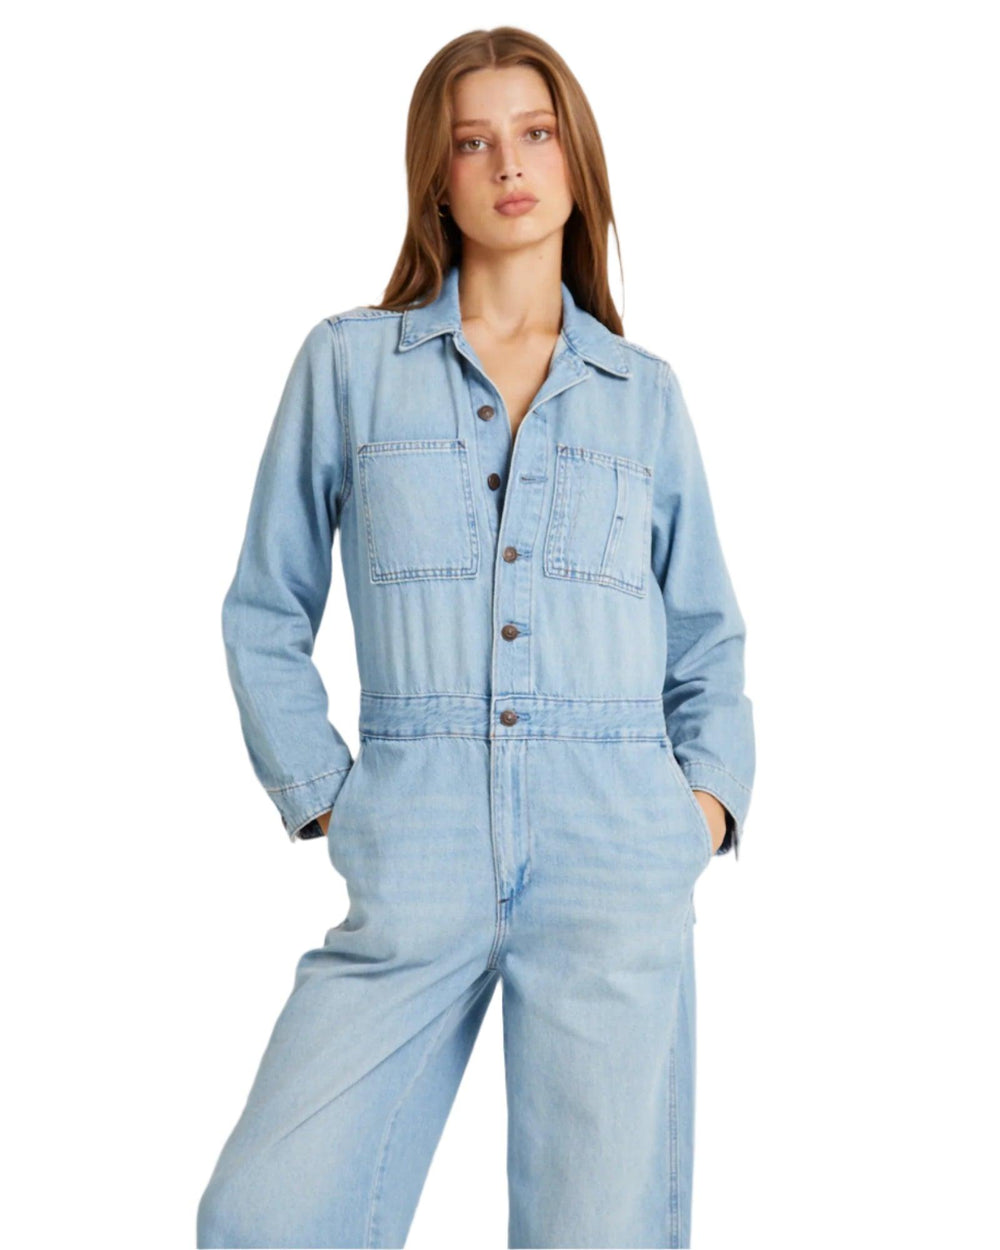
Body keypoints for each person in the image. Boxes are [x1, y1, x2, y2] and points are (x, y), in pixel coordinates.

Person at [196, 25, 755, 1250]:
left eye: (536, 133)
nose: (508, 163)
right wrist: (329, 796)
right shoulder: (349, 366)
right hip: (418, 832)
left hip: (615, 838)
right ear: (435, 178)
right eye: (472, 141)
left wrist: (700, 811)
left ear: (575, 161)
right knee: (266, 1212)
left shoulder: (643, 394)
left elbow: (706, 634)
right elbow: (264, 607)